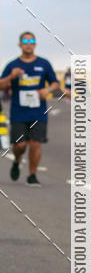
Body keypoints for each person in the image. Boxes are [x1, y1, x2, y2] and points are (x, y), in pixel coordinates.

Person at [0, 31, 60, 185]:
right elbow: (1, 84)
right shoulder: (13, 65)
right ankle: (17, 160)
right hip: (18, 112)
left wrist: (47, 90)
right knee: (20, 145)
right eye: (25, 41)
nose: (28, 43)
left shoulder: (43, 64)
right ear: (20, 45)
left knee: (35, 143)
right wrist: (11, 77)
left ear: (35, 44)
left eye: (31, 41)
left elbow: (55, 83)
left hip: (38, 111)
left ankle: (32, 175)